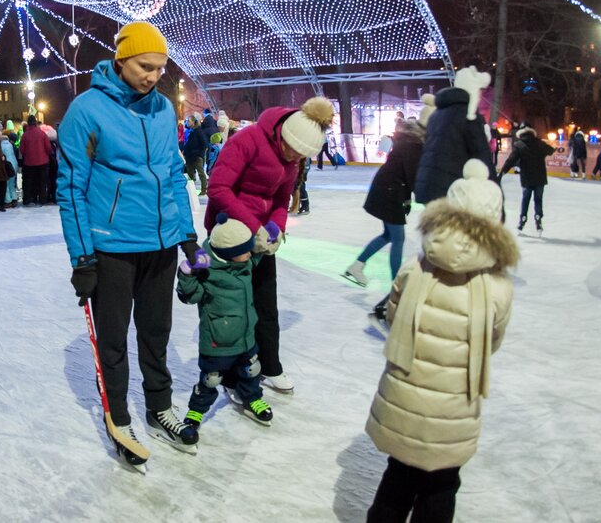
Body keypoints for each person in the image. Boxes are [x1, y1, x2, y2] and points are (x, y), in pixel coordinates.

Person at [57, 21, 204, 467]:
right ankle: (118, 417)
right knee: (115, 341)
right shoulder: (86, 110)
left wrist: (188, 238)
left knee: (157, 332)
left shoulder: (162, 110)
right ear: (121, 60)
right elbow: (71, 188)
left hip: (159, 243)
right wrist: (82, 256)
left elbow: (174, 176)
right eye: (145, 66)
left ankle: (159, 409)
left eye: (160, 68)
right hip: (112, 248)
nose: (153, 76)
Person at [365, 159, 516, 522]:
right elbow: (491, 343)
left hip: (405, 396)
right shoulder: (498, 288)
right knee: (440, 487)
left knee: (397, 479)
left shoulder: (413, 267)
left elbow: (392, 315)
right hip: (454, 407)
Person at [206, 96, 335, 394]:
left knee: (266, 305)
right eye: (295, 153)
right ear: (284, 138)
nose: (295, 160)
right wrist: (254, 229)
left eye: (302, 157)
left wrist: (275, 229)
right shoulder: (248, 140)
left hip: (262, 238)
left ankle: (270, 364)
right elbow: (218, 187)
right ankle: (232, 377)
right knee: (235, 309)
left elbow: (280, 200)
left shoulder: (293, 157)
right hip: (231, 236)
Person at [177, 214, 272, 438]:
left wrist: (271, 233)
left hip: (246, 337)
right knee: (210, 380)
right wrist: (187, 273)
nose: (250, 254)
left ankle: (253, 399)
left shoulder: (244, 263)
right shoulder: (208, 273)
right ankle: (196, 412)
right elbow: (190, 296)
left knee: (251, 371)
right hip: (216, 341)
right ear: (229, 254)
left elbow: (259, 253)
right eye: (245, 250)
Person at [345, 117, 425, 291]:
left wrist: (407, 199)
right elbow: (412, 176)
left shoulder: (408, 143)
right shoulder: (414, 146)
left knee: (389, 235)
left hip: (387, 190)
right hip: (389, 193)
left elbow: (404, 175)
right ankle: (396, 282)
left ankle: (357, 266)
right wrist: (424, 198)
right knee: (398, 238)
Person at [413, 67, 495, 204]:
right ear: (473, 90)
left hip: (428, 188)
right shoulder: (469, 116)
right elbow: (483, 158)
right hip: (451, 192)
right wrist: (498, 205)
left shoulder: (436, 115)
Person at [497, 126, 556, 233]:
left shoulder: (519, 145)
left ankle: (522, 219)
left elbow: (510, 160)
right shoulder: (540, 143)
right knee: (538, 200)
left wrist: (502, 173)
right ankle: (538, 217)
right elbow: (550, 151)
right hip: (540, 177)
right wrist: (553, 148)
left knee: (526, 199)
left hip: (526, 178)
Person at [19, 115, 52, 206]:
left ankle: (29, 199)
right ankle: (42, 199)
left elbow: (22, 149)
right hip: (42, 162)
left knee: (29, 182)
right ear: (36, 122)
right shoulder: (42, 134)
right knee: (42, 182)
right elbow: (48, 148)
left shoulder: (25, 135)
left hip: (29, 163)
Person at [182, 114, 210, 195]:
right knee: (190, 174)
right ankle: (192, 190)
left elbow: (204, 144)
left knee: (200, 173)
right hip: (190, 156)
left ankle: (204, 190)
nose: (187, 122)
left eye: (188, 121)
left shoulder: (198, 131)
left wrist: (199, 155)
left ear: (193, 122)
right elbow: (189, 143)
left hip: (196, 157)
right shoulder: (191, 131)